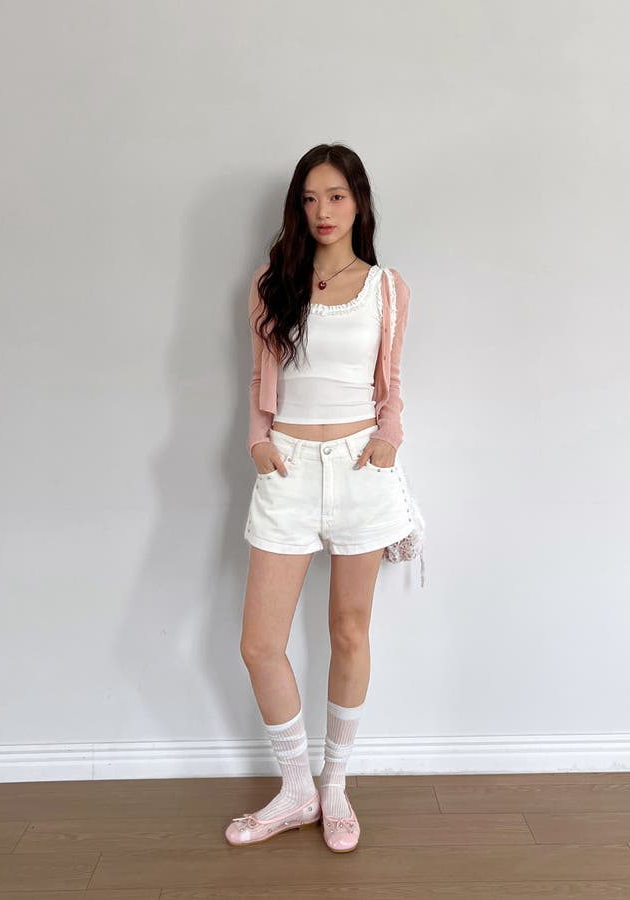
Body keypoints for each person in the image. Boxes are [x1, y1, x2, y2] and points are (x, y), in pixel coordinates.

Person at [225, 143, 416, 853]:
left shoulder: (387, 288)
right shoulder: (272, 282)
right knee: (259, 643)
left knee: (349, 630)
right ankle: (296, 789)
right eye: (310, 199)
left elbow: (392, 382)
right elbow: (258, 379)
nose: (322, 211)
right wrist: (258, 442)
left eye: (336, 196)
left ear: (358, 201)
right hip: (289, 468)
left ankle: (334, 786)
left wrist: (389, 436)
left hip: (362, 466)